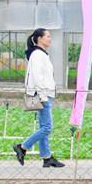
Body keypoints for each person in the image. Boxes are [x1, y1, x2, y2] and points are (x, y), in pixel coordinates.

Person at [15, 27, 65, 168]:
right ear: (39, 39)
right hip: (42, 95)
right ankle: (23, 147)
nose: (50, 38)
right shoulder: (37, 54)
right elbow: (37, 76)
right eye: (47, 36)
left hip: (45, 93)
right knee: (47, 127)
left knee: (44, 126)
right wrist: (43, 96)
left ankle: (46, 157)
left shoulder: (41, 54)